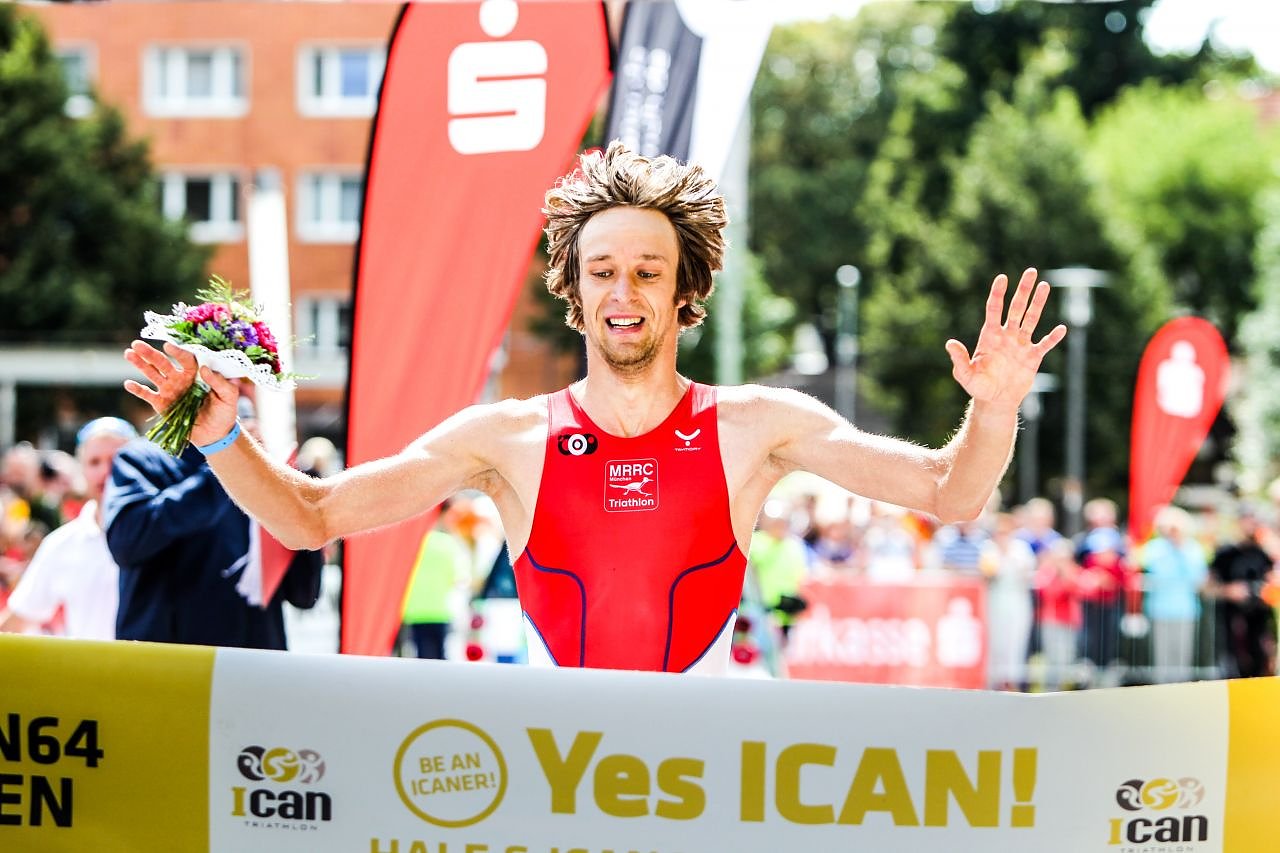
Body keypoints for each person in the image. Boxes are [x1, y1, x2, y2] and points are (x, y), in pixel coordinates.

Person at [122, 141, 1066, 675]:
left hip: (698, 784)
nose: (624, 291)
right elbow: (312, 515)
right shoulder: (507, 437)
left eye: (648, 271)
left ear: (684, 291)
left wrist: (996, 411)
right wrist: (221, 435)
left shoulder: (757, 425)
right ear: (573, 289)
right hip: (555, 785)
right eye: (603, 270)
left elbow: (949, 493)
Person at [102, 392, 324, 648]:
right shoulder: (143, 458)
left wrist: (303, 502)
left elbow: (303, 594)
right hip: (173, 658)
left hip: (252, 658)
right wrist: (227, 461)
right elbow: (127, 542)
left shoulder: (270, 473)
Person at [0, 418, 136, 639]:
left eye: (117, 460)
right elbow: (17, 620)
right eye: (94, 462)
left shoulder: (164, 533)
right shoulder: (62, 543)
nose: (106, 471)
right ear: (82, 469)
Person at [401, 497, 470, 660]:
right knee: (440, 660)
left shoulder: (414, 543)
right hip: (440, 610)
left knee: (421, 658)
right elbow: (459, 580)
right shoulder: (449, 544)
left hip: (415, 611)